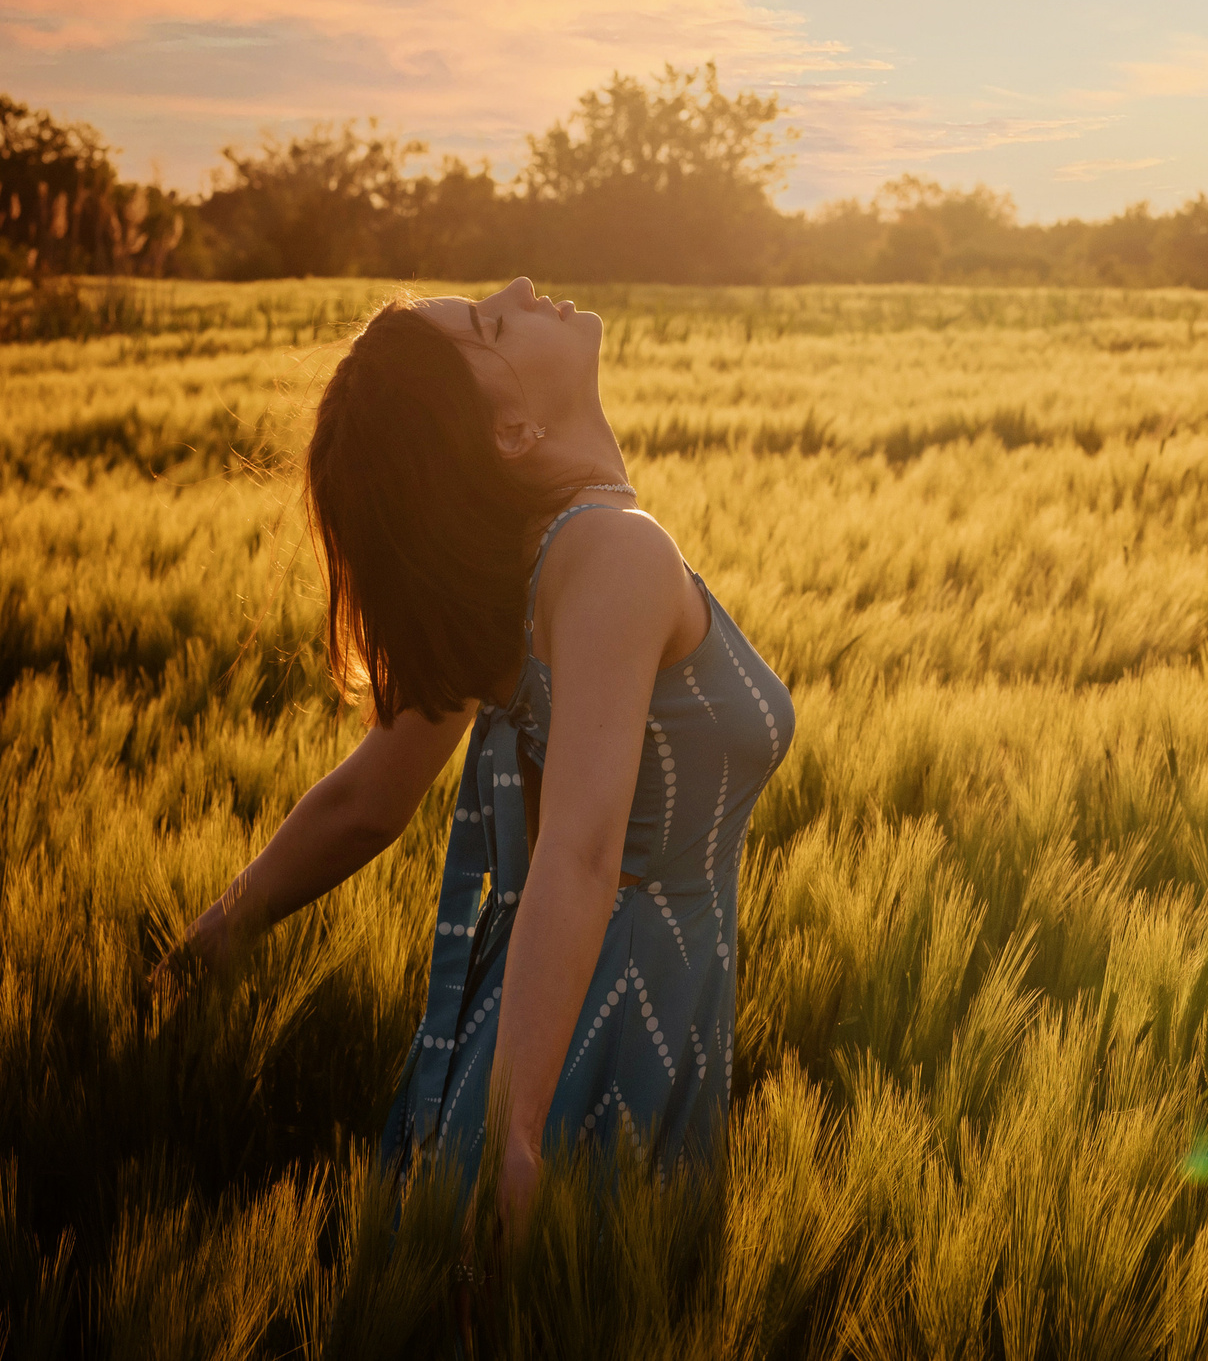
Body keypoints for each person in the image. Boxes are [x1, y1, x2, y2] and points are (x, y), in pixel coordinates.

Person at [163, 278, 792, 1236]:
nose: (520, 288)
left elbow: (368, 802)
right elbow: (579, 848)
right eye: (492, 325)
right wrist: (518, 1130)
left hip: (547, 1023)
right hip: (599, 1037)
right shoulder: (616, 553)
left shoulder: (529, 566)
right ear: (509, 436)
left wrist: (212, 938)